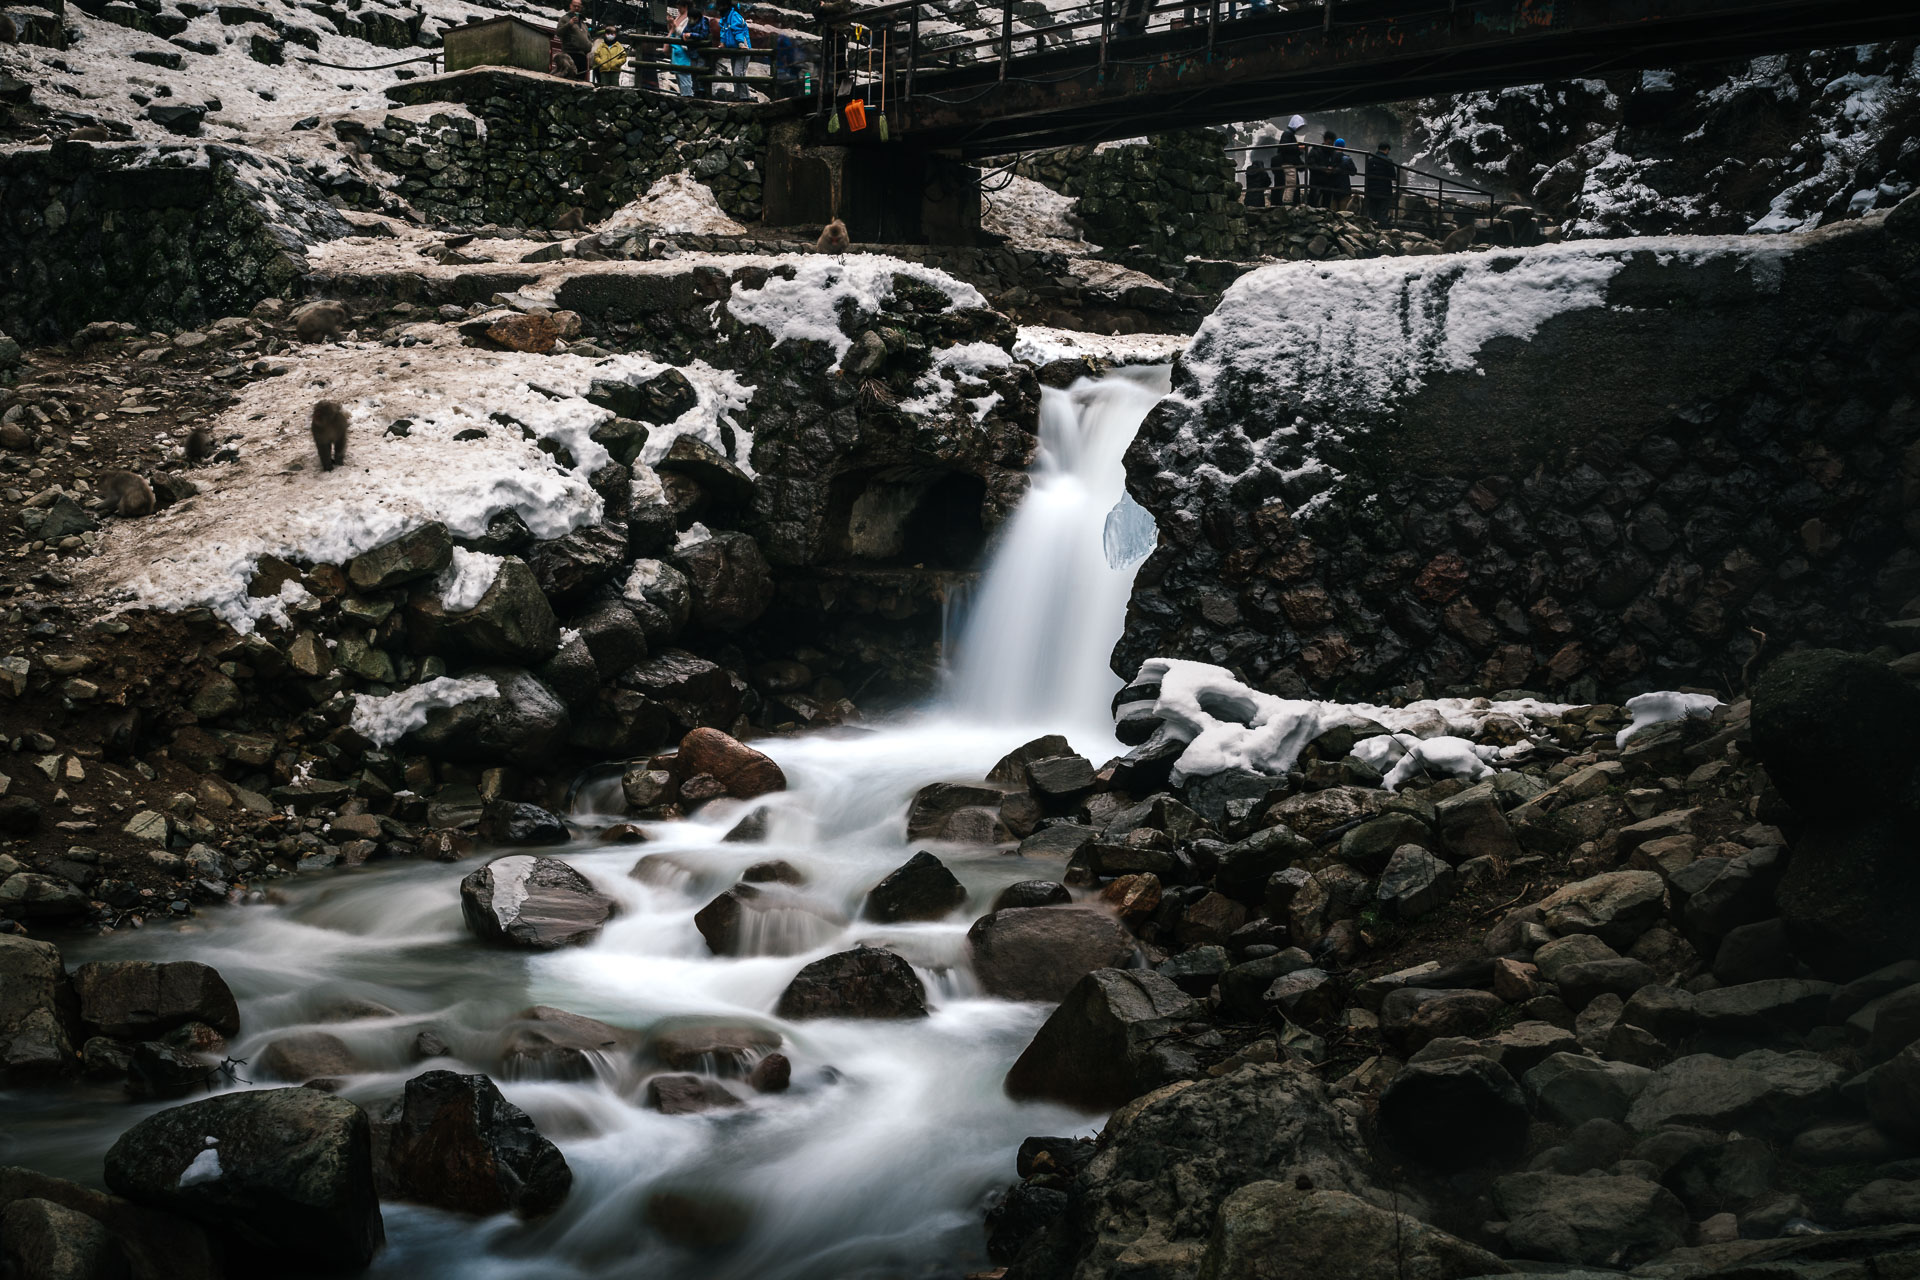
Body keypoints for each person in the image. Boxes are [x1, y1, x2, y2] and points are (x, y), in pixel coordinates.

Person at [713, 0, 751, 100]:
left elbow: (738, 30)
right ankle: (737, 95)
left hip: (742, 47)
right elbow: (723, 32)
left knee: (740, 74)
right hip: (734, 49)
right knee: (735, 73)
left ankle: (745, 97)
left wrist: (741, 43)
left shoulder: (734, 16)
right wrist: (722, 43)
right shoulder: (725, 17)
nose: (719, 8)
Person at [667, 2, 703, 96]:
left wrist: (674, 25)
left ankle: (688, 97)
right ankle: (684, 96)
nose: (677, 8)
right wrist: (671, 24)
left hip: (684, 51)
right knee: (679, 77)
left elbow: (684, 33)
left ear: (685, 6)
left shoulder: (689, 18)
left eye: (679, 6)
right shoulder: (679, 16)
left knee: (685, 78)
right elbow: (673, 31)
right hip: (677, 51)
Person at [557, 0, 592, 80]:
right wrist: (569, 24)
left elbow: (588, 37)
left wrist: (589, 45)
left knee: (581, 80)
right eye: (574, 6)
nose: (576, 8)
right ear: (570, 6)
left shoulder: (583, 23)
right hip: (570, 54)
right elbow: (558, 32)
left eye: (578, 6)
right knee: (569, 78)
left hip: (582, 56)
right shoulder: (565, 19)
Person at [1365, 139, 1397, 222]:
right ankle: (1382, 231)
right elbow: (1393, 176)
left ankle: (1371, 231)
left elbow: (1366, 174)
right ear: (1386, 150)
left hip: (1371, 191)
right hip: (1384, 192)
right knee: (1382, 213)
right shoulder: (1388, 161)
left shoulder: (1370, 160)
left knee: (1371, 213)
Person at [1307, 129, 1341, 207]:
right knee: (1313, 203)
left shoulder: (1333, 153)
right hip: (1316, 182)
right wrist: (1324, 169)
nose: (1330, 146)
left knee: (1326, 204)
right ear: (1324, 141)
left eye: (1332, 144)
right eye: (1329, 143)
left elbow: (1338, 166)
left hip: (1328, 183)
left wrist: (1333, 170)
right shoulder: (1315, 150)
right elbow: (1311, 165)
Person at [1277, 113, 1304, 206]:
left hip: (1288, 162)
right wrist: (1298, 148)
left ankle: (1289, 203)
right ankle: (1287, 204)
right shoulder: (1287, 134)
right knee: (1291, 185)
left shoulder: (1288, 133)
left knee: (1291, 184)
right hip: (1288, 163)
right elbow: (1285, 147)